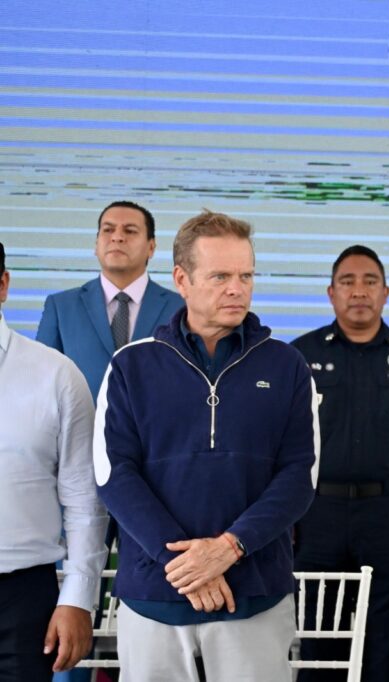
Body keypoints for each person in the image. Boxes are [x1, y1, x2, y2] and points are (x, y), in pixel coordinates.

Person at [93, 210, 319, 681]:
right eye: (220, 277)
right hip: (155, 595)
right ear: (182, 279)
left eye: (246, 276)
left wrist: (230, 548)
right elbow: (113, 475)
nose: (237, 289)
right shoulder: (131, 366)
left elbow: (300, 475)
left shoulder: (288, 365)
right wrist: (185, 564)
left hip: (254, 593)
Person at [291, 245, 389, 682]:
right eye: (347, 282)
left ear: (386, 292)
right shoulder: (297, 356)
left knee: (386, 642)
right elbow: (279, 440)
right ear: (331, 293)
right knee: (318, 638)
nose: (359, 291)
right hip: (317, 515)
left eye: (370, 281)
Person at [0, 241, 108, 679]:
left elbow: (85, 501)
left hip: (21, 599)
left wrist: (79, 598)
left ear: (3, 285)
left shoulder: (57, 375)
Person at [36, 201, 183, 400]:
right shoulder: (61, 307)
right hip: (83, 420)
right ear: (96, 244)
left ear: (151, 247)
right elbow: (41, 381)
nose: (117, 237)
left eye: (130, 231)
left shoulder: (180, 307)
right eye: (108, 230)